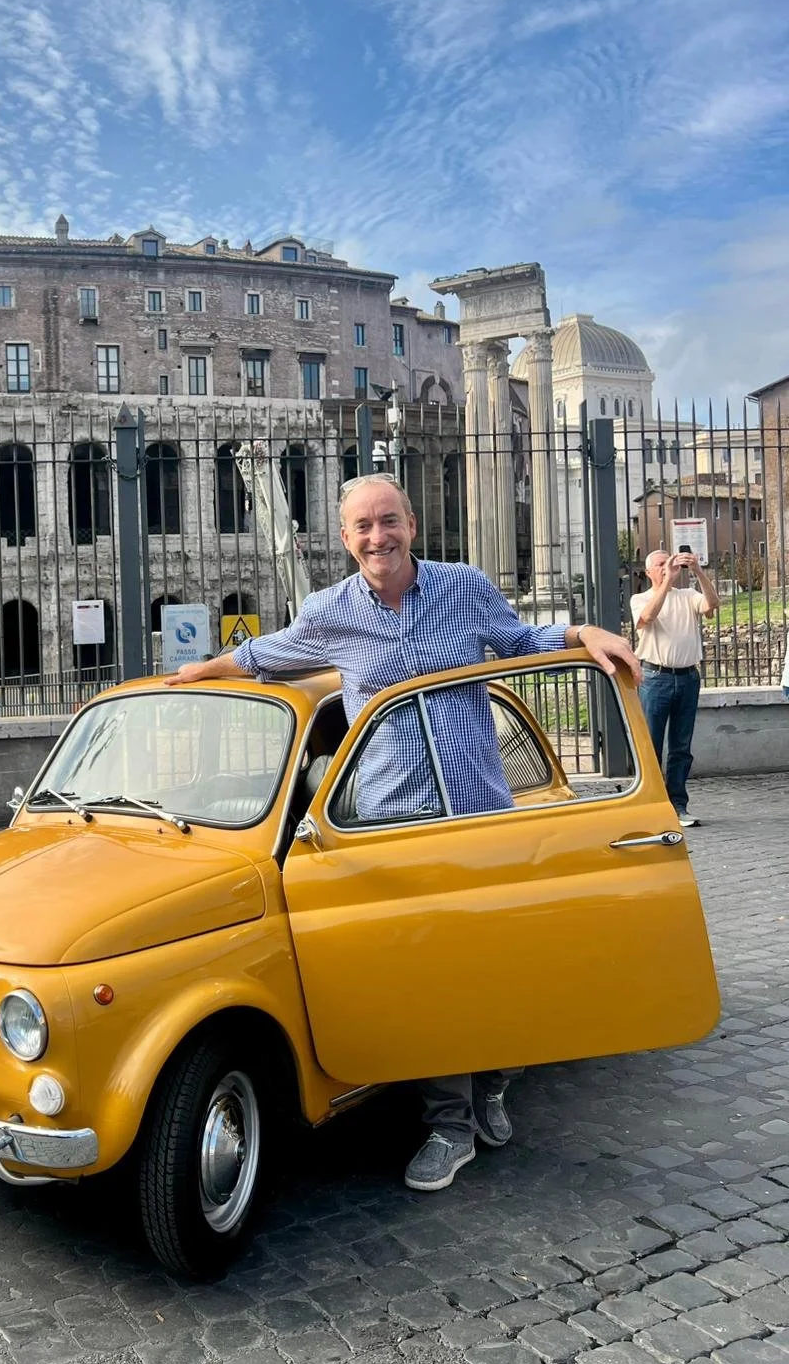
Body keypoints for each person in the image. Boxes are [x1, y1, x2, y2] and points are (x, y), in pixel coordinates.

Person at [166, 473, 640, 1192]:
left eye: (388, 521)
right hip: (394, 824)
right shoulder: (330, 612)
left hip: (480, 816)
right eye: (362, 527)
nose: (377, 537)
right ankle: (449, 1125)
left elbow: (520, 638)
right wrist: (198, 672)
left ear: (411, 525)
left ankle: (493, 1084)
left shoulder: (464, 587)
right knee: (427, 983)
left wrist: (584, 632)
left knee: (496, 967)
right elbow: (266, 653)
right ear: (344, 537)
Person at [630, 547, 719, 829]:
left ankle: (678, 804)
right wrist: (667, 581)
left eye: (668, 562)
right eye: (659, 564)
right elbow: (648, 618)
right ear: (648, 572)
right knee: (652, 745)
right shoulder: (639, 598)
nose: (666, 566)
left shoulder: (688, 596)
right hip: (655, 678)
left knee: (681, 747)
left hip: (688, 677)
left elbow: (712, 605)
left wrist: (698, 571)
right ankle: (651, 806)